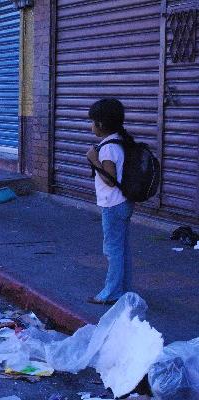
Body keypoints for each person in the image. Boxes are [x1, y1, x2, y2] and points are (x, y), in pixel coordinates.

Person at [85, 98, 133, 305]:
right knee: (122, 249)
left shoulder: (107, 148)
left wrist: (94, 160)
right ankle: (124, 289)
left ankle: (111, 292)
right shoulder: (119, 140)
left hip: (113, 204)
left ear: (101, 124)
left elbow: (110, 180)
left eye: (93, 121)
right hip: (123, 203)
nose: (91, 125)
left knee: (112, 250)